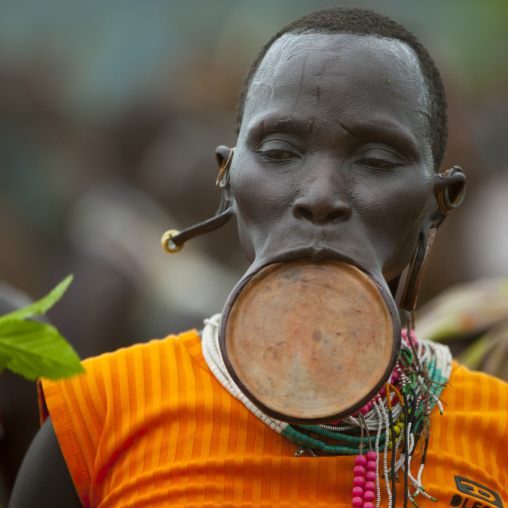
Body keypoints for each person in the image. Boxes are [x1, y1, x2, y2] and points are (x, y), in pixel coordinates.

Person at [9, 6, 508, 508]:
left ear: (439, 203)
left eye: (376, 160)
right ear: (227, 178)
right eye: (278, 151)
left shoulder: (497, 430)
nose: (320, 195)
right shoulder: (100, 411)